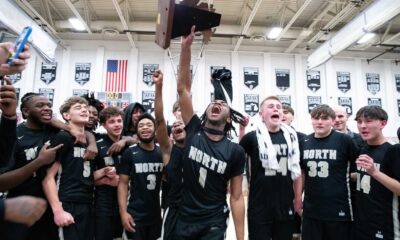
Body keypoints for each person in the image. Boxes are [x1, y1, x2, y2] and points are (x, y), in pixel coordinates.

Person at [175, 26, 245, 240]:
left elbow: (236, 197)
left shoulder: (235, 151)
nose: (216, 103)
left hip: (214, 221)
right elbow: (183, 90)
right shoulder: (194, 128)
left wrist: (241, 238)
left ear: (230, 117)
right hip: (184, 218)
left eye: (222, 103)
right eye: (213, 102)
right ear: (205, 112)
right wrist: (185, 48)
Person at [42, 96, 108, 240]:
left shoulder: (90, 142)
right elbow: (48, 178)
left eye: (85, 108)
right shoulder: (63, 137)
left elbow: (79, 174)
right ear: (66, 115)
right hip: (67, 203)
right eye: (78, 108)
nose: (84, 109)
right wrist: (58, 211)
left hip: (87, 203)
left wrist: (103, 173)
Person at [240, 96, 302, 240]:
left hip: (285, 202)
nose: (276, 109)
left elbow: (297, 171)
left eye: (279, 107)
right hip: (259, 204)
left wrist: (298, 198)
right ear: (261, 115)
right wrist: (241, 129)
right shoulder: (252, 137)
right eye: (271, 106)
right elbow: (237, 156)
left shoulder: (293, 138)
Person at [299, 104, 357, 240]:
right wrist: (297, 199)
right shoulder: (304, 141)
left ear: (332, 121)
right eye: (315, 118)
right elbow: (302, 173)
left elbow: (358, 170)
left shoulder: (345, 140)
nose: (319, 122)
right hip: (311, 210)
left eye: (325, 118)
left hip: (338, 209)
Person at [118, 113, 163, 240]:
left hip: (156, 215)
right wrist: (123, 213)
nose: (145, 128)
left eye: (149, 125)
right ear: (136, 131)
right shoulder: (130, 152)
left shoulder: (161, 152)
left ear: (155, 129)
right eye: (141, 125)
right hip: (135, 215)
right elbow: (123, 184)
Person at [352, 106, 394, 240]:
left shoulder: (392, 151)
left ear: (383, 123)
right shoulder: (363, 148)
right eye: (359, 122)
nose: (362, 126)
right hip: (362, 222)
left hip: (384, 224)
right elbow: (367, 178)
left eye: (368, 121)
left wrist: (375, 173)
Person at [153, 69, 186, 240]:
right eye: (175, 127)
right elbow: (158, 119)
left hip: (198, 210)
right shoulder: (169, 150)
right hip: (173, 209)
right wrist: (159, 87)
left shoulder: (200, 145)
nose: (178, 127)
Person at [94, 106, 125, 240]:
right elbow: (86, 177)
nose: (117, 124)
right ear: (103, 125)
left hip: (126, 202)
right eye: (112, 122)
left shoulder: (130, 144)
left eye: (119, 120)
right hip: (104, 202)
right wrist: (105, 178)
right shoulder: (97, 145)